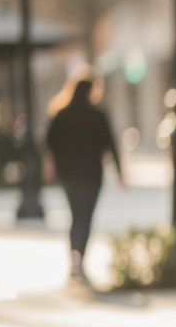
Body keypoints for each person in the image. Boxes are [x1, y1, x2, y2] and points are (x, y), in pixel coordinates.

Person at [44, 69, 125, 283]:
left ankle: (75, 259)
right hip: (90, 174)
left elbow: (49, 141)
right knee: (85, 217)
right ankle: (79, 260)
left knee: (75, 216)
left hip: (68, 174)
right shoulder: (98, 115)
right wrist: (120, 174)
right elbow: (111, 145)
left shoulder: (62, 114)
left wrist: (52, 162)